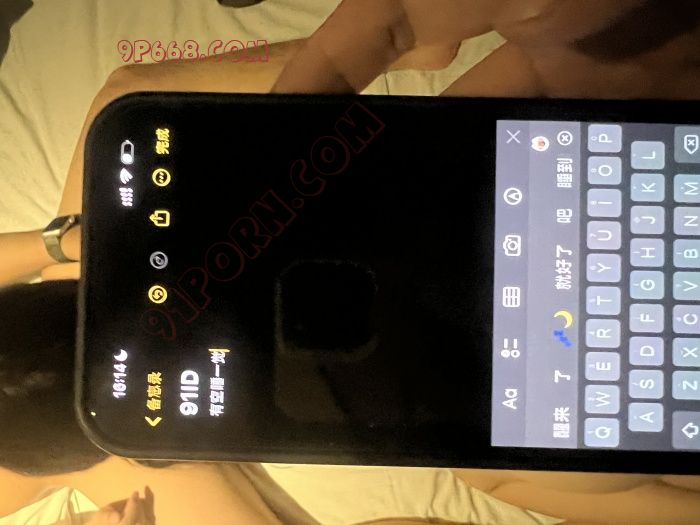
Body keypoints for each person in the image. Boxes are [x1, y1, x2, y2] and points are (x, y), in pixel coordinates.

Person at [1, 1, 700, 524]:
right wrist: (60, 241)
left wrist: (60, 241)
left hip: (111, 392)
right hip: (117, 403)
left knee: (493, 457)